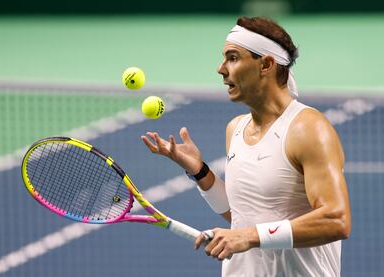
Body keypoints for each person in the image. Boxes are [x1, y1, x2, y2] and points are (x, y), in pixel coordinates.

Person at [141, 16, 351, 277]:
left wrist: (250, 236)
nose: (221, 68)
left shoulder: (308, 129)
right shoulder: (236, 129)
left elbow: (336, 220)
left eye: (233, 57)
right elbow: (242, 217)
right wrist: (200, 172)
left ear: (266, 64)